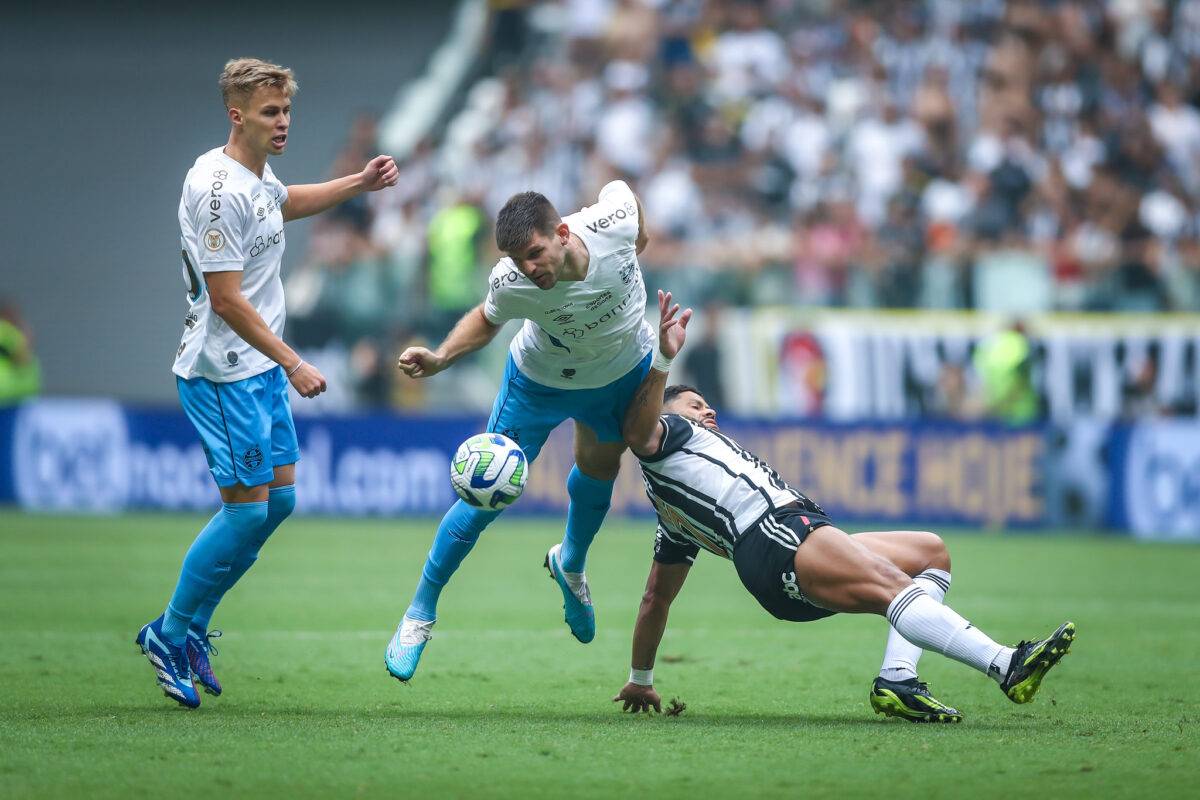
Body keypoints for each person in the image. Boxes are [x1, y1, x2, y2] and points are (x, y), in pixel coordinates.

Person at [611, 291, 1075, 722]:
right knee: (893, 586)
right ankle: (1005, 664)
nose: (707, 412)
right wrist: (665, 357)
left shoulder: (671, 511)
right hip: (776, 534)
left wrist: (641, 679)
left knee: (929, 554)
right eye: (695, 405)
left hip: (781, 548)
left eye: (708, 405)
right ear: (667, 414)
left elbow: (656, 598)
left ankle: (899, 680)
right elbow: (638, 433)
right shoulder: (670, 436)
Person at [136, 57, 399, 708]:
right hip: (223, 372)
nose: (282, 123)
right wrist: (294, 361)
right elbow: (225, 300)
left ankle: (190, 625)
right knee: (246, 509)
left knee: (277, 505)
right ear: (237, 116)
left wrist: (357, 184)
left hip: (254, 371)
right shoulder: (218, 190)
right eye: (270, 113)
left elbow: (283, 204)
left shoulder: (254, 174)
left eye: (286, 112)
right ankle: (169, 633)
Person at [386, 180, 652, 681]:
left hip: (617, 375)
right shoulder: (512, 280)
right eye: (518, 259)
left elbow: (627, 198)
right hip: (539, 382)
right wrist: (441, 357)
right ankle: (420, 612)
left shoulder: (612, 225)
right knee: (484, 493)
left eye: (534, 253)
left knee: (599, 470)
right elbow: (487, 320)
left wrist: (641, 236)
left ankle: (570, 564)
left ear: (564, 234)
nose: (529, 268)